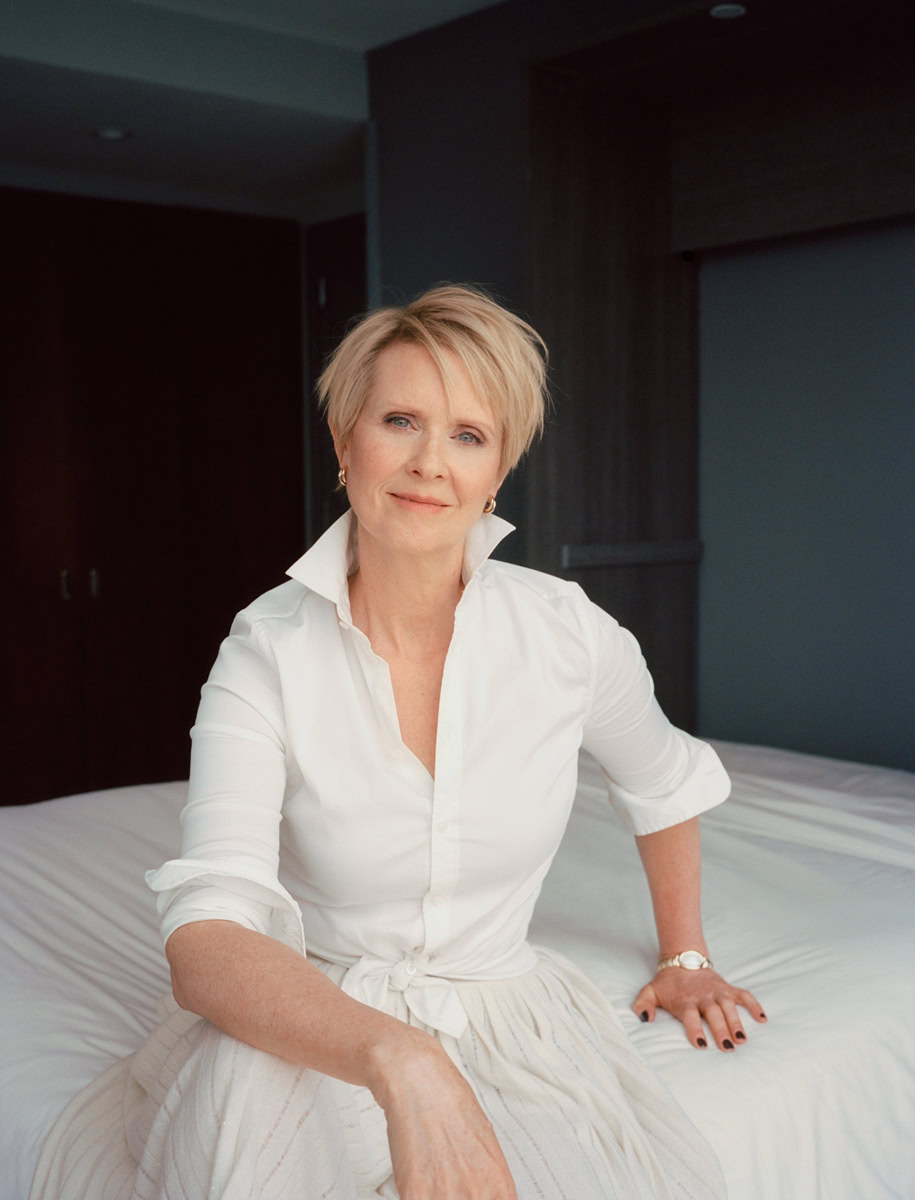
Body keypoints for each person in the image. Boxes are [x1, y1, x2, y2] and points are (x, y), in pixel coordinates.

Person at [31, 284, 766, 1200]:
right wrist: (402, 1061)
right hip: (310, 1016)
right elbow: (210, 935)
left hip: (506, 1013)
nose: (428, 463)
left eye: (467, 436)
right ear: (345, 443)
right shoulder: (266, 650)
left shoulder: (568, 633)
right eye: (400, 421)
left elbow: (663, 781)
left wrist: (685, 956)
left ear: (497, 471)